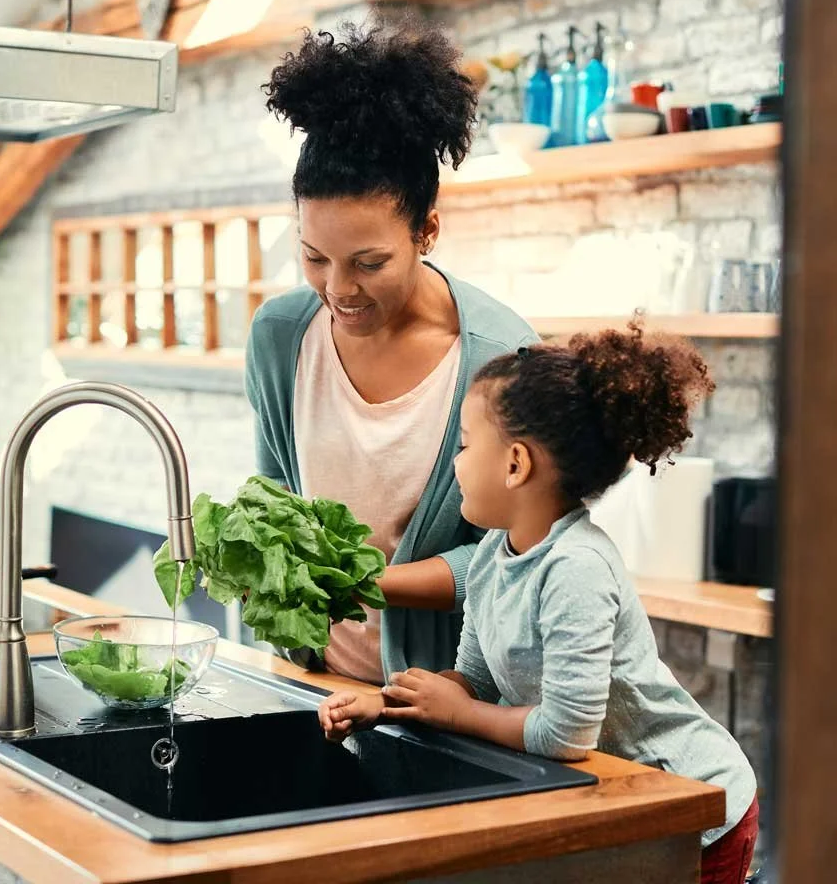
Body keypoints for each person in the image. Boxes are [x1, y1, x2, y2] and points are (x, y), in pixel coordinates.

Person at [318, 324, 759, 884]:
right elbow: (472, 679)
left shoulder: (576, 568)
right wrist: (389, 705)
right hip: (623, 801)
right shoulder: (489, 560)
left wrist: (458, 714)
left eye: (465, 445)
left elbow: (566, 734)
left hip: (695, 807)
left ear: (515, 464)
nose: (455, 462)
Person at [245, 16, 537, 684]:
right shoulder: (280, 337)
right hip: (310, 686)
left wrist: (365, 584)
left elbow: (513, 559)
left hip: (447, 708)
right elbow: (274, 501)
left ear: (427, 230)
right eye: (314, 257)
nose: (338, 289)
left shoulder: (502, 358)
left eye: (369, 262)